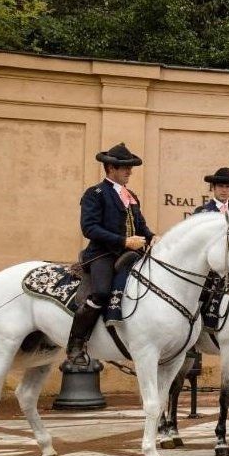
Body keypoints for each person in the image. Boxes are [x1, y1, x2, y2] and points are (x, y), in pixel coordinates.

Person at [67, 143, 154, 368]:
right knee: (101, 293)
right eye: (124, 167)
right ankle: (76, 344)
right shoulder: (95, 193)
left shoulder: (131, 195)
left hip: (131, 253)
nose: (129, 171)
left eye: (130, 167)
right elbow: (90, 228)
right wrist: (123, 241)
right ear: (110, 168)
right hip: (102, 254)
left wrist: (152, 237)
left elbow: (140, 225)